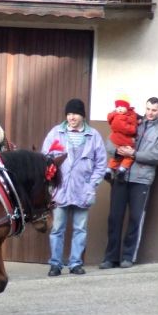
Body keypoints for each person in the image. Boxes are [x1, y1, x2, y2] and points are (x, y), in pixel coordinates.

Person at [99, 97, 158, 269]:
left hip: (141, 180)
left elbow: (157, 157)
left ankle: (128, 257)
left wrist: (134, 154)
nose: (150, 113)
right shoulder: (133, 122)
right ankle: (110, 258)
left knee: (135, 219)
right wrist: (118, 151)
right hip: (120, 177)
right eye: (148, 109)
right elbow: (110, 142)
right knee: (114, 218)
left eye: (154, 110)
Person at [42, 98, 106, 277]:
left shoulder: (93, 136)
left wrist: (91, 184)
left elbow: (101, 164)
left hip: (82, 191)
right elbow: (45, 158)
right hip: (60, 190)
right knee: (57, 229)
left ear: (82, 116)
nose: (71, 117)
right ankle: (55, 264)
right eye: (69, 114)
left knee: (80, 229)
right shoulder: (56, 133)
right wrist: (51, 180)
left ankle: (76, 263)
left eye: (75, 114)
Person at [105, 96, 138, 182]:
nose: (119, 109)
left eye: (122, 107)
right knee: (129, 156)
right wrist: (133, 129)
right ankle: (122, 169)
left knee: (116, 157)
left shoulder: (114, 115)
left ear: (127, 107)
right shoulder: (123, 116)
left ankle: (109, 169)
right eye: (118, 107)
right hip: (124, 140)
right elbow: (129, 128)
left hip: (115, 139)